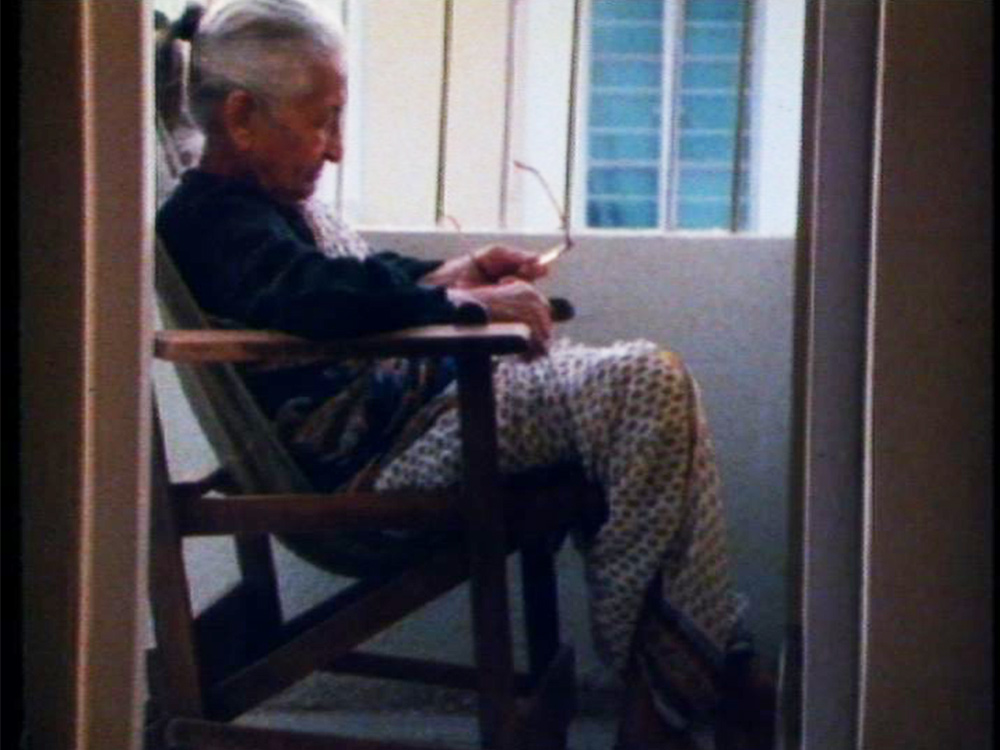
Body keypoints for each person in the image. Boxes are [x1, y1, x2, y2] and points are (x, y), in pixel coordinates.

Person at [156, 1, 774, 747]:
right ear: (243, 118)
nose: (338, 149)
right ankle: (692, 689)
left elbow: (348, 278)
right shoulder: (210, 220)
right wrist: (460, 304)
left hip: (422, 419)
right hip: (381, 465)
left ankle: (692, 680)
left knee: (644, 393)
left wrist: (454, 273)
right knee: (643, 387)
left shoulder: (256, 209)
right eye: (323, 121)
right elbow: (321, 296)